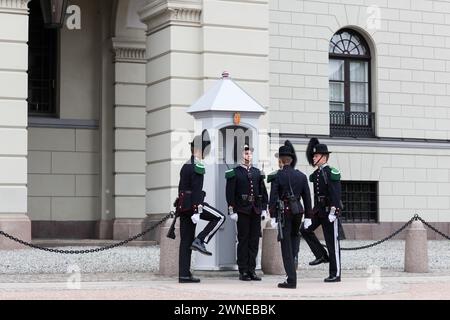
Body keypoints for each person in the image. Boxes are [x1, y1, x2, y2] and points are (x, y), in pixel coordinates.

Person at [176, 132, 226, 283]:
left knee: (186, 241)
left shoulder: (186, 164)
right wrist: (197, 210)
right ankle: (201, 240)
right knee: (220, 217)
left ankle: (184, 274)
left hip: (184, 207)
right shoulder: (197, 166)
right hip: (193, 206)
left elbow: (181, 189)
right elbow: (196, 190)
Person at [269, 141, 312, 289]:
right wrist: (308, 216)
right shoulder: (301, 176)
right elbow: (307, 197)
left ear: (280, 160)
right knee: (294, 238)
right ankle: (294, 257)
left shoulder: (278, 176)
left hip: (285, 213)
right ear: (291, 160)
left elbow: (273, 197)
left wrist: (273, 216)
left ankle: (291, 279)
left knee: (285, 245)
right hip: (298, 211)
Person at [300, 138, 342, 283]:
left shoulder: (332, 172)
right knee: (304, 230)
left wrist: (334, 211)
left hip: (329, 212)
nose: (314, 158)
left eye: (316, 156)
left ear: (324, 157)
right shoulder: (317, 174)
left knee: (332, 244)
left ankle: (335, 274)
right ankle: (321, 255)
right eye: (313, 155)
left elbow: (335, 194)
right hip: (318, 211)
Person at [225, 145, 268, 281]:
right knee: (243, 240)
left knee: (254, 241)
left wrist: (263, 209)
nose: (248, 155)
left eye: (250, 153)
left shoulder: (257, 172)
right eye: (246, 153)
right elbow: (229, 193)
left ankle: (252, 270)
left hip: (255, 209)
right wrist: (232, 210)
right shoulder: (234, 172)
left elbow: (263, 192)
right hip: (242, 210)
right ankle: (243, 270)